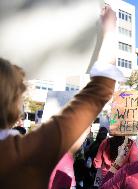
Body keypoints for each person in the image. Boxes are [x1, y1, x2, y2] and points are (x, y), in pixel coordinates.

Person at [0, 6, 122, 188]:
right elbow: (101, 87)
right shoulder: (26, 152)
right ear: (11, 101)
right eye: (20, 94)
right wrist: (110, 30)